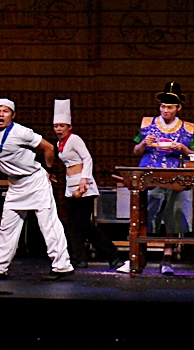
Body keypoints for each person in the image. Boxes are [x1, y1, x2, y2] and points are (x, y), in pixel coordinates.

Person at [0, 98, 74, 281]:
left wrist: (49, 169)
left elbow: (48, 147)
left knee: (48, 223)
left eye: (5, 111)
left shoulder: (22, 132)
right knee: (7, 227)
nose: (1, 114)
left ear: (13, 115)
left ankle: (62, 266)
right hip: (15, 185)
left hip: (35, 181)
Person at [117, 81, 194, 275]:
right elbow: (136, 150)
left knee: (173, 218)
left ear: (178, 108)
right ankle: (136, 257)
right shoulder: (147, 124)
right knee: (143, 216)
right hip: (149, 176)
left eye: (170, 107)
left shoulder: (188, 128)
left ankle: (167, 259)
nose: (165, 110)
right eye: (163, 106)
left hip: (174, 177)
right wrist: (144, 143)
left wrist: (184, 149)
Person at [53, 99, 121, 270]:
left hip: (82, 183)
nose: (59, 129)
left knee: (83, 222)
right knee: (71, 223)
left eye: (62, 126)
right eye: (56, 126)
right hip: (70, 185)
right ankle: (79, 257)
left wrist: (84, 178)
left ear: (69, 127)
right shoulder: (59, 143)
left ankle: (111, 253)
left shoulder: (74, 139)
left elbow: (87, 158)